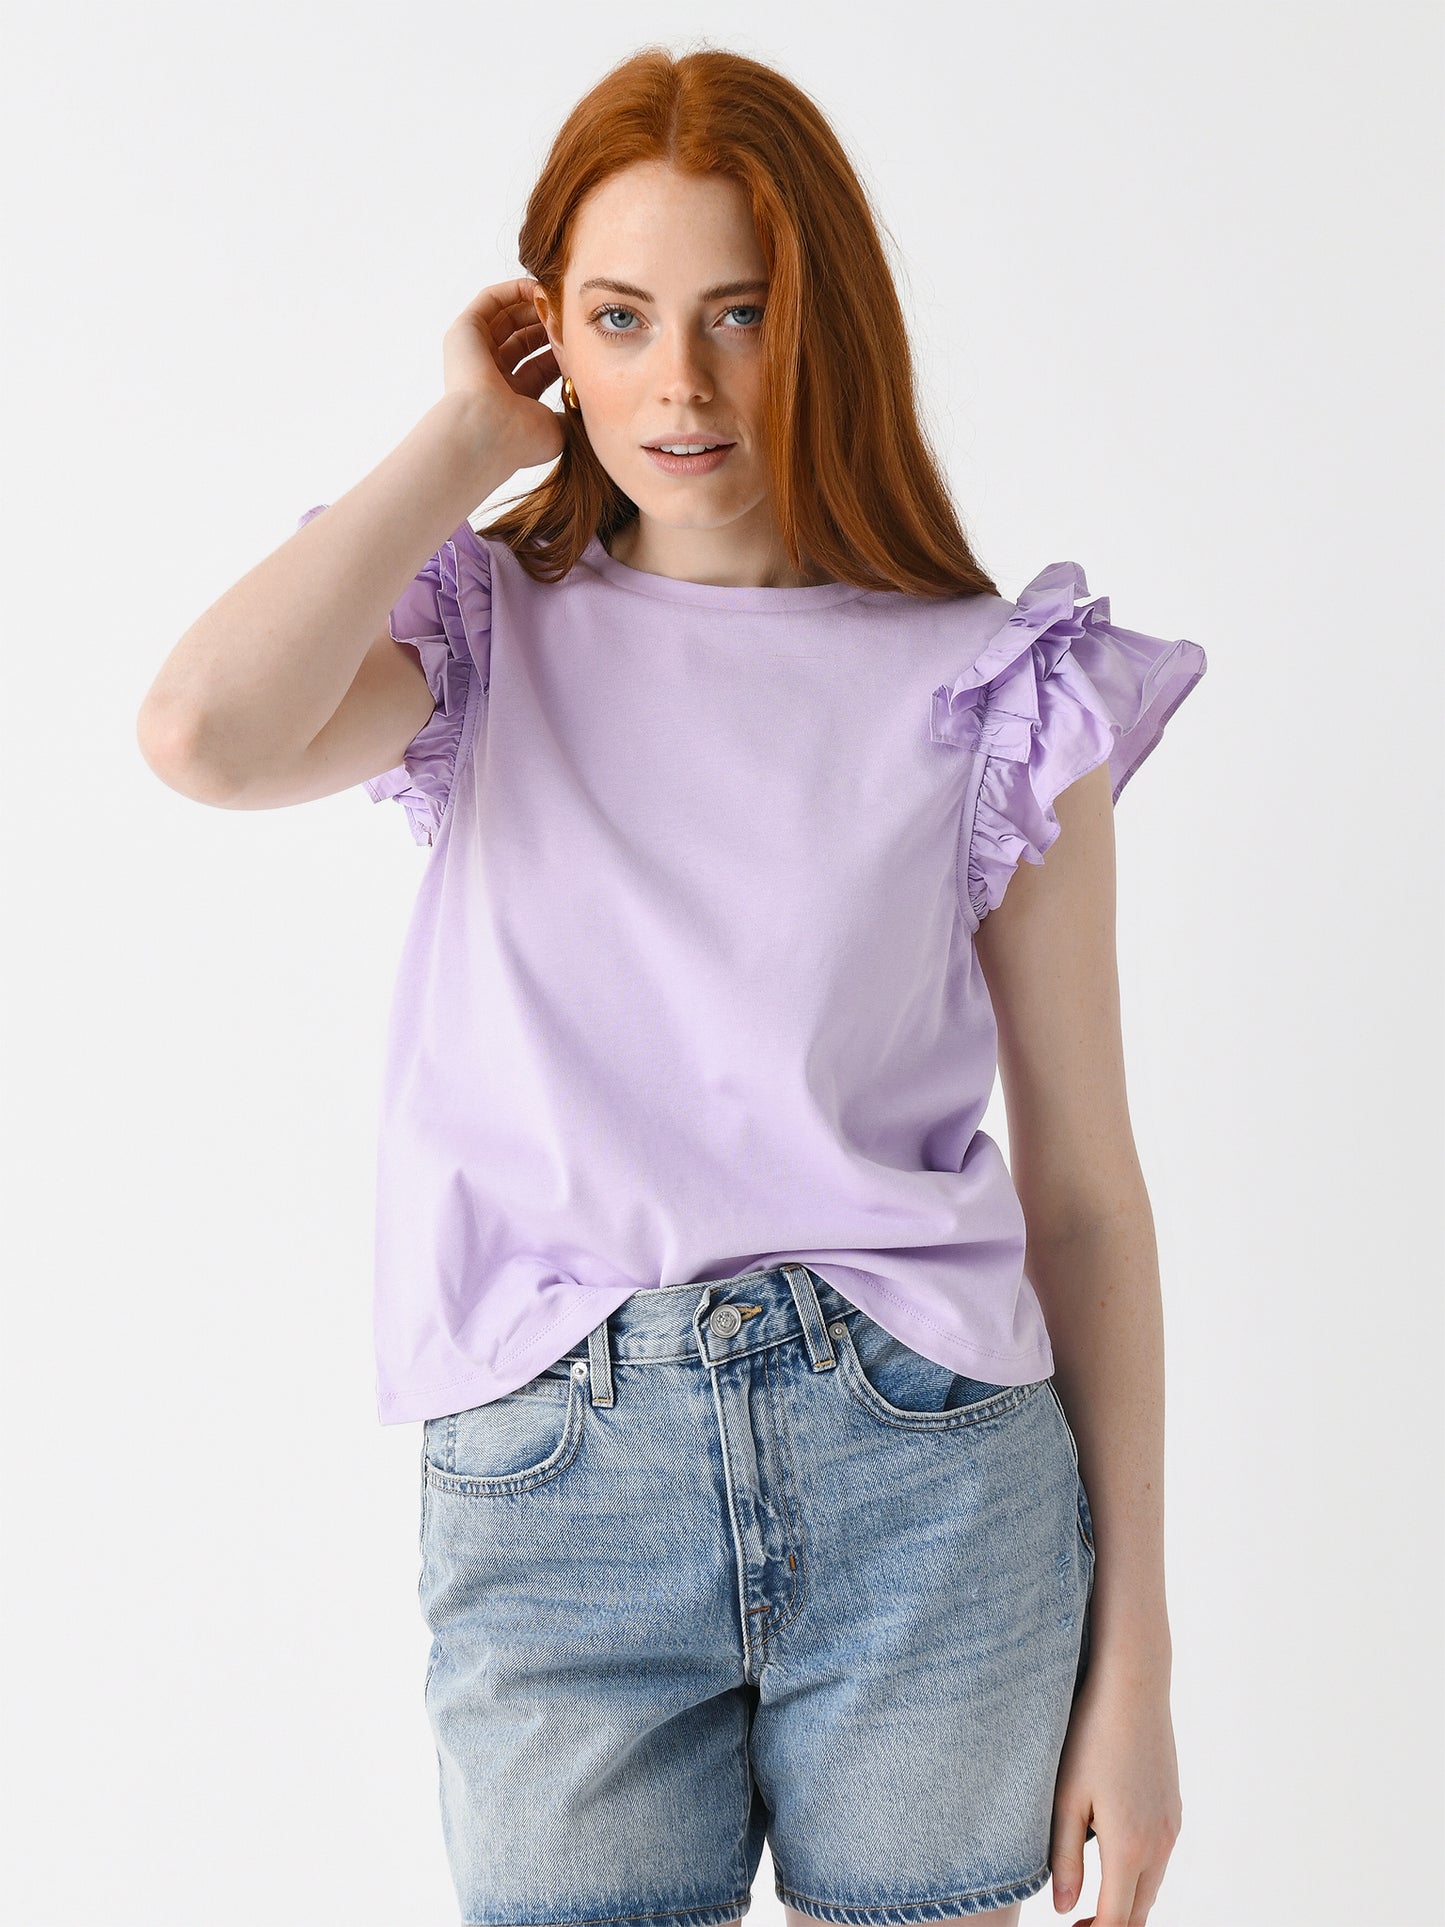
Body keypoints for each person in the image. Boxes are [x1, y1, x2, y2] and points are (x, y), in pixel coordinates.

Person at [136, 43, 1205, 1927]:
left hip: (925, 1468)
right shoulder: (479, 637)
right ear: (549, 332)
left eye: (741, 312)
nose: (682, 384)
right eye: (620, 319)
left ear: (827, 323)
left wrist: (1138, 1670)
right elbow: (201, 737)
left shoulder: (997, 688)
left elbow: (1088, 1197)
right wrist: (460, 444)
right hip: (559, 1482)